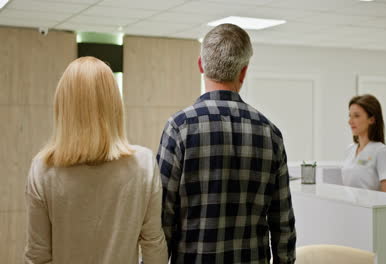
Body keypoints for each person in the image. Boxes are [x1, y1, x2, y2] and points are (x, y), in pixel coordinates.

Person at [157, 24, 296, 264]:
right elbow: (282, 222)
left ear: (201, 65)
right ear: (243, 71)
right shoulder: (270, 133)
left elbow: (162, 218)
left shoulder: (179, 128)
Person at [24, 57, 167, 264]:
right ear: (115, 105)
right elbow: (154, 246)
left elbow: (37, 256)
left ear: (62, 106)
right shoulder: (143, 165)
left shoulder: (43, 169)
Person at [342, 94, 386, 193]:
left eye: (356, 116)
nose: (350, 121)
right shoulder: (350, 150)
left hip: (370, 207)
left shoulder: (381, 151)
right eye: (350, 116)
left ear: (371, 119)